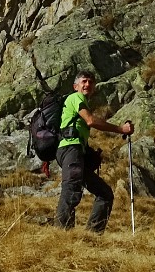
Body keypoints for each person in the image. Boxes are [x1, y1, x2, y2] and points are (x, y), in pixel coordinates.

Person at [55, 71, 133, 232]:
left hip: (76, 150)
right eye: (84, 81)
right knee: (71, 189)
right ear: (75, 86)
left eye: (91, 82)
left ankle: (93, 236)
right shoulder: (76, 98)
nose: (87, 85)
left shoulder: (80, 100)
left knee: (105, 193)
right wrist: (121, 129)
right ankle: (61, 235)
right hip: (71, 148)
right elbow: (90, 120)